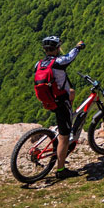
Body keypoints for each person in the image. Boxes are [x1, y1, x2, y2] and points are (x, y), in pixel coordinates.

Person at [35, 35, 85, 178]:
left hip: (48, 101)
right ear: (57, 48)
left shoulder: (38, 64)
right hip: (61, 102)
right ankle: (61, 170)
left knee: (72, 92)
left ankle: (66, 121)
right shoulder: (58, 62)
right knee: (64, 137)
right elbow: (70, 56)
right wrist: (78, 47)